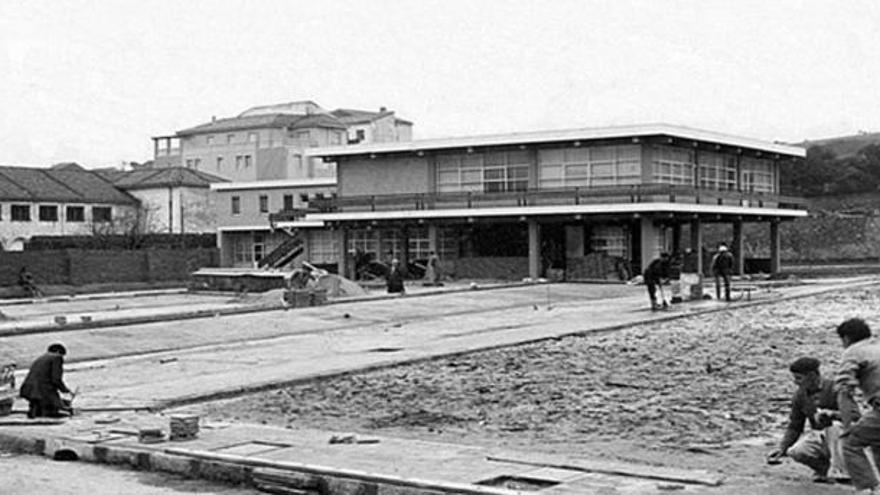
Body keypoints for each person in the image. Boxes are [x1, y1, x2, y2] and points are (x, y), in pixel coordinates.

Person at [766, 357, 847, 483]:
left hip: (845, 439)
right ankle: (823, 469)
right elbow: (795, 426)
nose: (796, 382)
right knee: (795, 452)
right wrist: (782, 448)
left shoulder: (835, 389)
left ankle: (843, 472)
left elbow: (855, 416)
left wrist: (833, 414)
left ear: (812, 375)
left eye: (799, 378)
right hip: (820, 437)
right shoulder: (800, 395)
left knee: (834, 428)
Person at [835, 318, 880, 494]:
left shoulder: (853, 352)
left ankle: (868, 488)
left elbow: (845, 391)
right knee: (877, 441)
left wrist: (847, 426)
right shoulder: (877, 348)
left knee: (850, 442)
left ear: (846, 338)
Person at [19, 343, 72, 418]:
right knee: (59, 409)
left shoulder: (41, 358)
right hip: (42, 391)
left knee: (38, 409)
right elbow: (56, 379)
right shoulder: (57, 358)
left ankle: (36, 412)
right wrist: (66, 390)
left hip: (28, 390)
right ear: (58, 352)